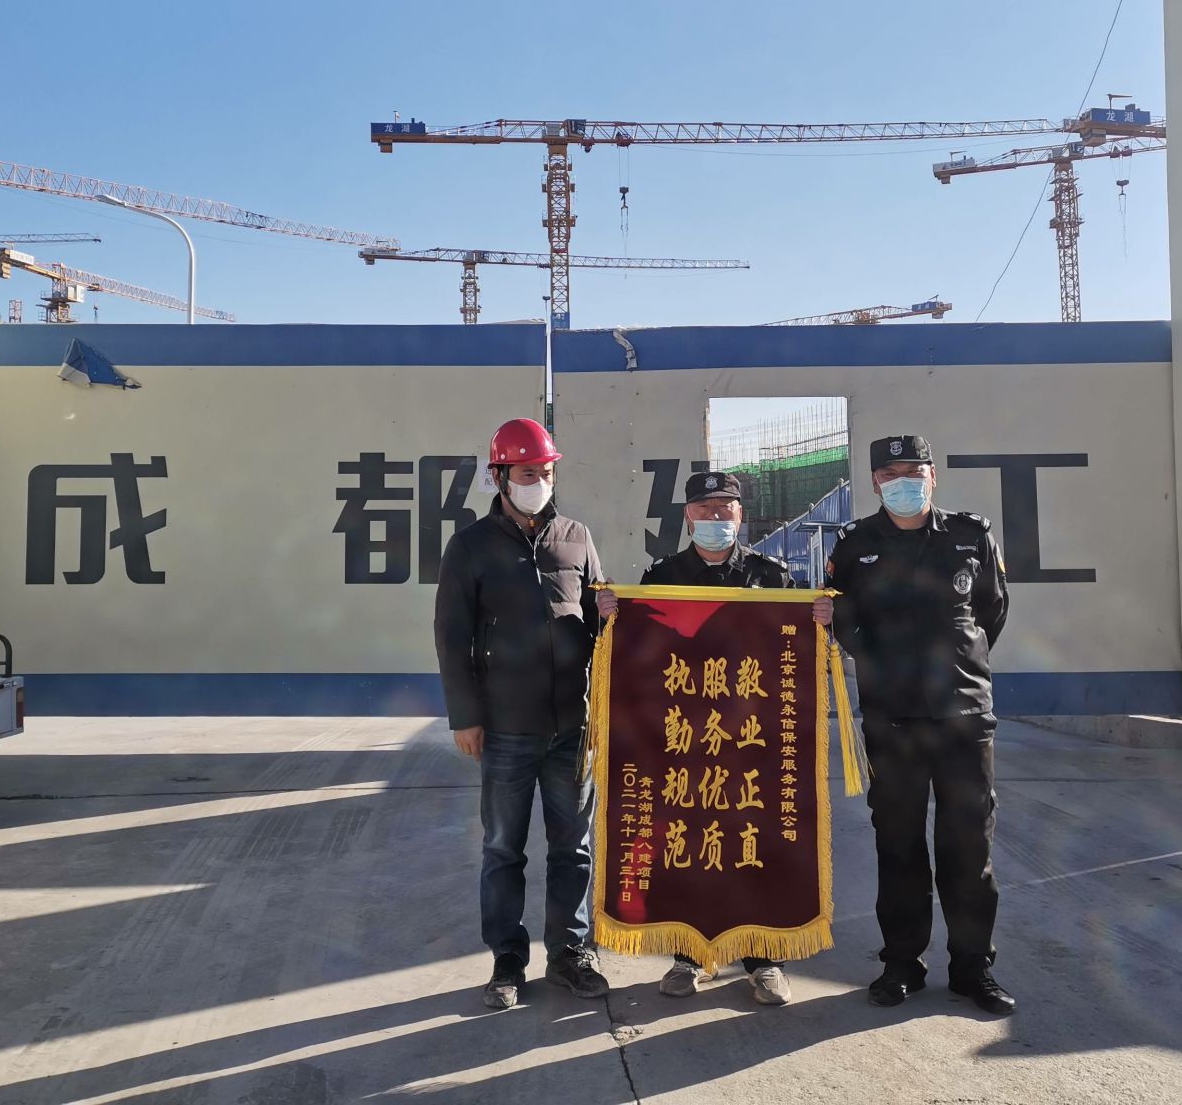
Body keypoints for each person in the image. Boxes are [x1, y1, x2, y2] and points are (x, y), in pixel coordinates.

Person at [596, 470, 833, 1007]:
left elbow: (798, 650)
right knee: (688, 840)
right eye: (704, 509)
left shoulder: (771, 576)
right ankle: (688, 955)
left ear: (740, 515)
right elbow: (639, 652)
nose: (715, 517)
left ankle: (762, 959)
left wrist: (821, 618)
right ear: (688, 517)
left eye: (725, 508)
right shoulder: (662, 577)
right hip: (686, 741)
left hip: (752, 739)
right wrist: (613, 615)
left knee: (753, 841)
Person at [827, 435, 1015, 1015]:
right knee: (898, 844)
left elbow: (991, 612)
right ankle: (902, 964)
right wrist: (883, 669)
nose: (902, 481)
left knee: (968, 846)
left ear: (933, 476)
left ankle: (972, 967)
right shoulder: (855, 544)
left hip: (964, 718)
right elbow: (843, 622)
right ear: (875, 482)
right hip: (894, 720)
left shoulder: (971, 536)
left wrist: (955, 668)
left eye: (914, 470)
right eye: (890, 473)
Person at [433, 418, 610, 1012]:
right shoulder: (470, 547)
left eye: (546, 472)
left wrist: (611, 610)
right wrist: (464, 716)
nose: (539, 482)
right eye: (528, 472)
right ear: (500, 476)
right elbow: (451, 637)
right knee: (503, 849)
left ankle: (570, 953)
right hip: (506, 728)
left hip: (572, 729)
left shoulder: (577, 537)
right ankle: (507, 958)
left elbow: (601, 622)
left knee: (573, 848)